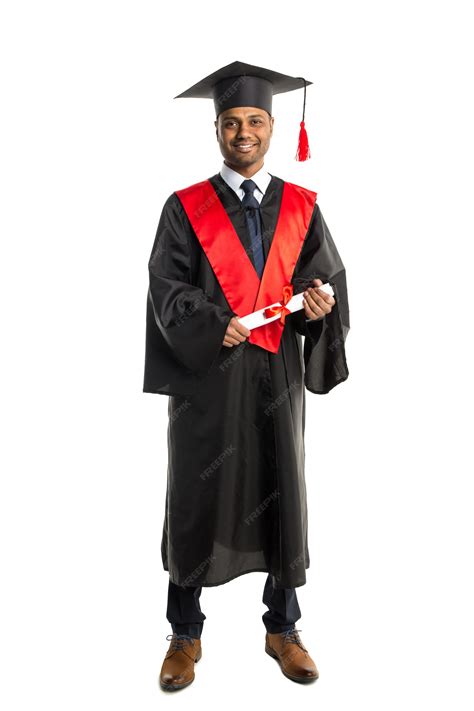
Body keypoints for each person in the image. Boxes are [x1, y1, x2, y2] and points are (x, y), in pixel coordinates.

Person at [143, 61, 350, 691]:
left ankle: (282, 628)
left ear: (273, 126)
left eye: (255, 121)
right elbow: (166, 288)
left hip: (276, 374)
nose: (243, 132)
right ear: (216, 129)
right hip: (209, 378)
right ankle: (184, 634)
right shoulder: (184, 208)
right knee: (195, 496)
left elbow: (325, 280)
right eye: (231, 122)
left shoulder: (302, 207)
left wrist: (320, 304)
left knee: (281, 486)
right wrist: (212, 322)